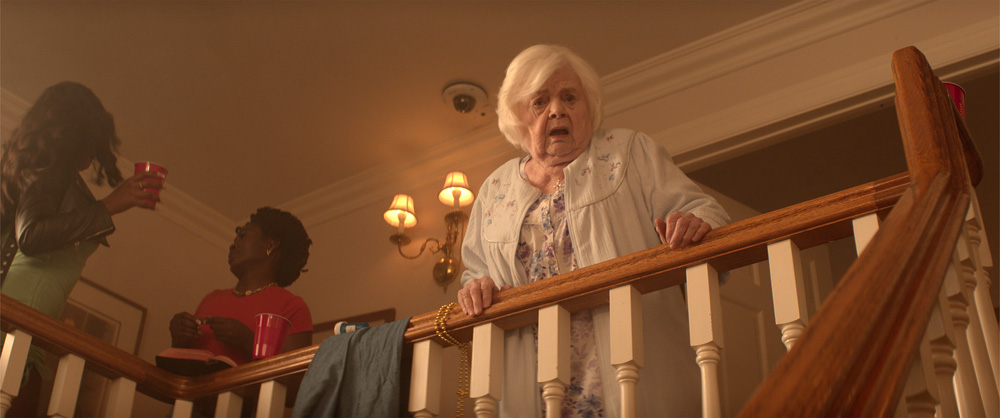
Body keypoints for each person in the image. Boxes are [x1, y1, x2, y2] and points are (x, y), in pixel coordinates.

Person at [456, 45, 731, 417]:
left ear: (589, 107)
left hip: (634, 371)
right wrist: (477, 286)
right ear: (518, 116)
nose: (557, 109)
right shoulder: (494, 188)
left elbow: (707, 212)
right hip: (531, 384)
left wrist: (695, 223)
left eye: (569, 97)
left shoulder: (629, 152)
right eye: (540, 101)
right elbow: (476, 271)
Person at [0, 81, 163, 417]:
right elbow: (31, 234)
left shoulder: (42, 168)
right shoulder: (51, 167)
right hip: (18, 315)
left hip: (27, 317)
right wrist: (110, 205)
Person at [169, 207, 314, 366]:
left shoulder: (292, 307)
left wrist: (249, 340)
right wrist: (179, 338)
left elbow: (294, 374)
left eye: (243, 236)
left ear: (270, 245)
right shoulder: (211, 299)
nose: (232, 245)